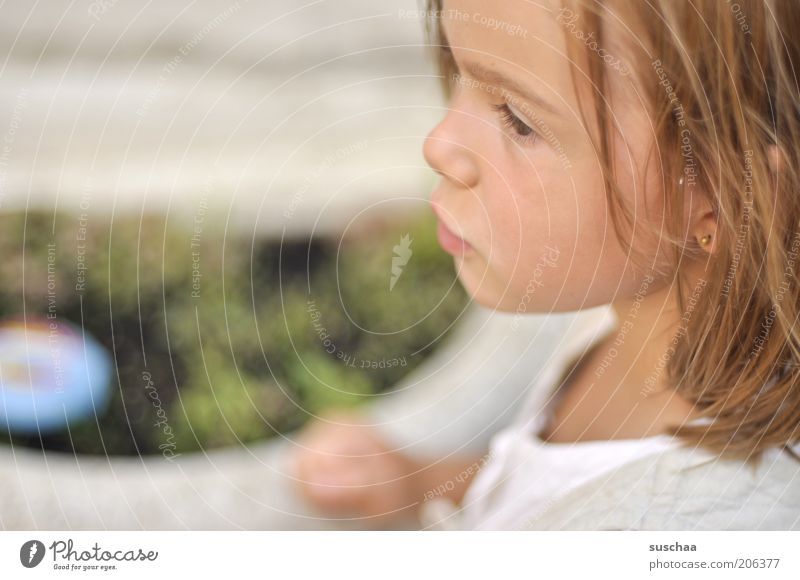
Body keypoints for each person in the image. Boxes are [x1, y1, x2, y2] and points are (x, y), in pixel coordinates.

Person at [404, 0, 799, 530]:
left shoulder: (700, 530)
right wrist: (422, 484)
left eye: (519, 120)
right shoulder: (622, 312)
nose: (439, 144)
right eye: (459, 68)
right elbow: (563, 489)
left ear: (734, 196)